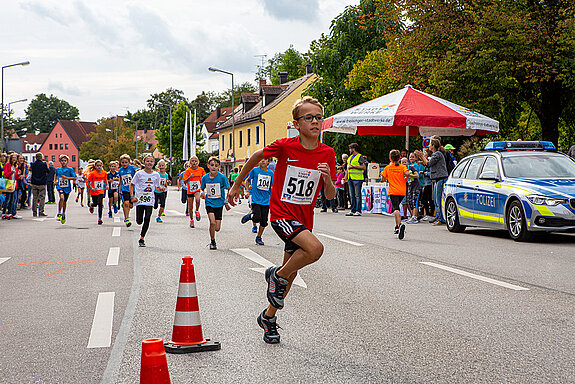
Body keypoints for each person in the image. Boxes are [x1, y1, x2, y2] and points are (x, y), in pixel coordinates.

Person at [228, 96, 337, 344]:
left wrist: (329, 179)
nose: (315, 122)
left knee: (290, 279)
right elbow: (256, 156)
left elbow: (329, 195)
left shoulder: (327, 153)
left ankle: (268, 318)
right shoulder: (286, 146)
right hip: (281, 214)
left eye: (318, 117)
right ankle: (276, 274)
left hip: (304, 219)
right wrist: (236, 185)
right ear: (296, 124)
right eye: (308, 117)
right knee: (315, 249)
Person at [130, 155, 164, 247]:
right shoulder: (139, 174)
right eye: (147, 161)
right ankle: (139, 223)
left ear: (154, 163)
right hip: (140, 200)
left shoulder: (156, 175)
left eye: (151, 161)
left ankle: (142, 238)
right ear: (144, 163)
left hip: (150, 200)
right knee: (139, 221)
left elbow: (157, 187)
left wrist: (161, 189)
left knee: (147, 218)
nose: (149, 163)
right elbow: (132, 184)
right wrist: (132, 196)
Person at [240, 157, 274, 245]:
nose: (262, 160)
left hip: (266, 200)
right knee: (257, 217)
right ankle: (250, 216)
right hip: (255, 198)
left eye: (265, 159)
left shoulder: (271, 173)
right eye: (261, 159)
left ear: (268, 162)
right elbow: (247, 181)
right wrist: (247, 190)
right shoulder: (254, 170)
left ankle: (259, 237)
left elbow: (273, 186)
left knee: (264, 221)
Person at [200, 157, 230, 250]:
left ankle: (213, 236)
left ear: (219, 167)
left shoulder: (222, 177)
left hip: (219, 204)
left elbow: (229, 188)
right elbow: (202, 188)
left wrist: (226, 201)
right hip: (209, 203)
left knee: (217, 228)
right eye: (212, 165)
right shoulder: (205, 177)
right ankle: (212, 241)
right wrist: (202, 193)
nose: (214, 167)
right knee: (212, 223)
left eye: (216, 166)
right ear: (208, 166)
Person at [380, 149, 411, 239]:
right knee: (397, 207)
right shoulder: (402, 167)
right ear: (399, 158)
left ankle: (399, 224)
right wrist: (406, 176)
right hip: (402, 191)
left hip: (393, 191)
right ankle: (397, 227)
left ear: (390, 158)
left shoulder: (388, 168)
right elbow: (407, 173)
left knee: (396, 208)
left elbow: (382, 179)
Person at [420, 138, 448, 225]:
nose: (429, 146)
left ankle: (441, 219)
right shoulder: (437, 154)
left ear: (433, 146)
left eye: (430, 144)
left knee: (438, 200)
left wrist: (422, 156)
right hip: (437, 179)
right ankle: (439, 217)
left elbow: (428, 164)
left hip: (440, 178)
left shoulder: (437, 154)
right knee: (436, 200)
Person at [183, 156, 206, 228]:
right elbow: (185, 182)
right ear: (190, 162)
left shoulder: (201, 169)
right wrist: (190, 177)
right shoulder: (188, 171)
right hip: (190, 190)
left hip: (197, 189)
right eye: (192, 161)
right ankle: (191, 220)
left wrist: (203, 183)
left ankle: (197, 210)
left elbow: (205, 178)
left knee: (198, 199)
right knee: (190, 207)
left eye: (195, 161)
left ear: (198, 162)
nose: (194, 162)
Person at [345, 143, 367, 216]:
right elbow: (348, 168)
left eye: (350, 148)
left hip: (357, 178)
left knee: (357, 195)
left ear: (354, 149)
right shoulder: (350, 157)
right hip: (350, 178)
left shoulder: (359, 157)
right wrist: (346, 177)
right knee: (352, 195)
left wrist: (354, 167)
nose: (349, 150)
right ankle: (353, 210)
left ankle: (358, 210)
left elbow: (364, 167)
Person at [55, 155, 77, 224]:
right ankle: (59, 213)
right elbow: (56, 175)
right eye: (62, 161)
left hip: (67, 188)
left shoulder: (70, 169)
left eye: (65, 161)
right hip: (60, 186)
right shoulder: (58, 169)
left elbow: (75, 177)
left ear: (67, 161)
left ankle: (63, 213)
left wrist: (67, 178)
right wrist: (55, 181)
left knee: (64, 201)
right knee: (61, 198)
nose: (63, 162)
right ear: (60, 162)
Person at [118, 154, 137, 227]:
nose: (124, 164)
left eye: (126, 162)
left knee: (131, 205)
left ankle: (126, 207)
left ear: (129, 162)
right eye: (122, 162)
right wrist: (119, 185)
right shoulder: (120, 170)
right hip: (124, 189)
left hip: (133, 189)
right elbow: (121, 179)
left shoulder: (132, 168)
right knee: (126, 203)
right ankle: (126, 219)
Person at [87, 160, 107, 225]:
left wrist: (107, 185)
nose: (99, 167)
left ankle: (100, 218)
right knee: (95, 204)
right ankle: (91, 205)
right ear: (95, 166)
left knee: (100, 203)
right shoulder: (92, 173)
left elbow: (105, 179)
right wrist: (91, 187)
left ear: (102, 166)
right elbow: (88, 182)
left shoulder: (104, 173)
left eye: (100, 166)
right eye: (97, 166)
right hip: (94, 191)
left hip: (101, 191)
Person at [405, 152, 424, 224]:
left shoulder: (415, 166)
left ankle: (414, 216)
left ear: (416, 158)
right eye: (410, 157)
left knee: (415, 201)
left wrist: (409, 175)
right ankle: (413, 216)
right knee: (410, 201)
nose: (411, 158)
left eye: (413, 157)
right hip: (411, 186)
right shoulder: (409, 166)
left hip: (416, 186)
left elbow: (417, 175)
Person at [2, 153, 21, 219]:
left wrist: (18, 174)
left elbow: (15, 177)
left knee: (13, 199)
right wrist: (11, 172)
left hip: (14, 184)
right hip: (8, 184)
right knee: (8, 199)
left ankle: (10, 213)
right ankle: (4, 213)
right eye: (13, 158)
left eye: (15, 158)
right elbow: (6, 174)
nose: (14, 159)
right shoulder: (7, 165)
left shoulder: (15, 166)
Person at [29, 153, 49, 217]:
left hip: (34, 182)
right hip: (42, 183)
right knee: (42, 198)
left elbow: (31, 170)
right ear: (41, 157)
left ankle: (34, 212)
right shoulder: (44, 164)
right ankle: (41, 211)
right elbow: (48, 171)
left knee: (34, 198)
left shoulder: (32, 164)